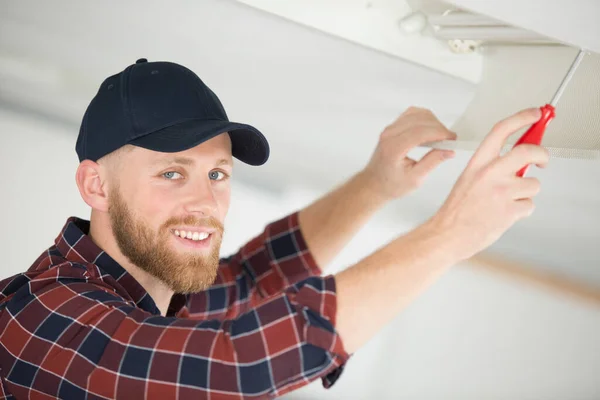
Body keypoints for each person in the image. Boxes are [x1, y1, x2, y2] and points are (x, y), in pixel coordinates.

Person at [0, 58, 548, 399]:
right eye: (172, 173)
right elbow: (232, 369)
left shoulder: (150, 290)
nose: (204, 201)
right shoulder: (41, 317)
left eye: (217, 173)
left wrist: (376, 184)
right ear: (95, 186)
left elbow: (256, 281)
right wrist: (450, 234)